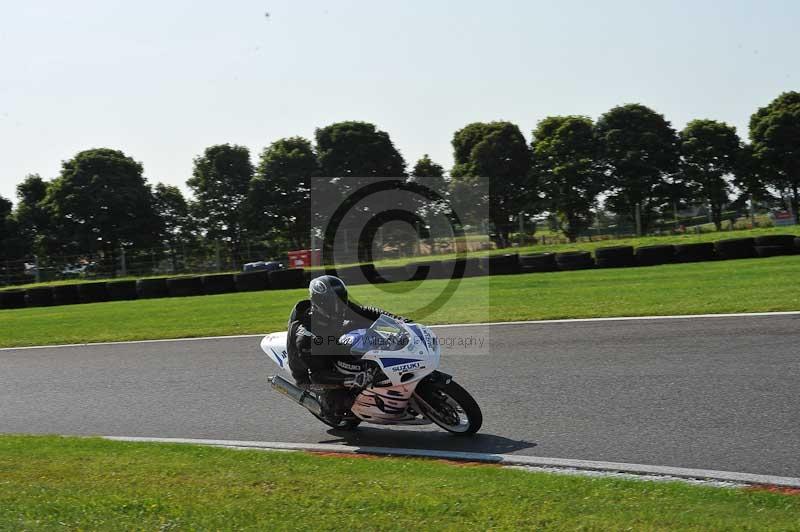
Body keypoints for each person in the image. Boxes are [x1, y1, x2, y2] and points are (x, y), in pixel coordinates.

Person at [286, 275, 407, 390]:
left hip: (332, 341)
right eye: (332, 303)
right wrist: (352, 379)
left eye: (341, 301)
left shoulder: (339, 307)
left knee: (361, 324)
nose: (338, 307)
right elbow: (316, 375)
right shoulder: (306, 335)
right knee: (341, 400)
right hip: (313, 375)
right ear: (319, 302)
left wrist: (401, 322)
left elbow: (365, 313)